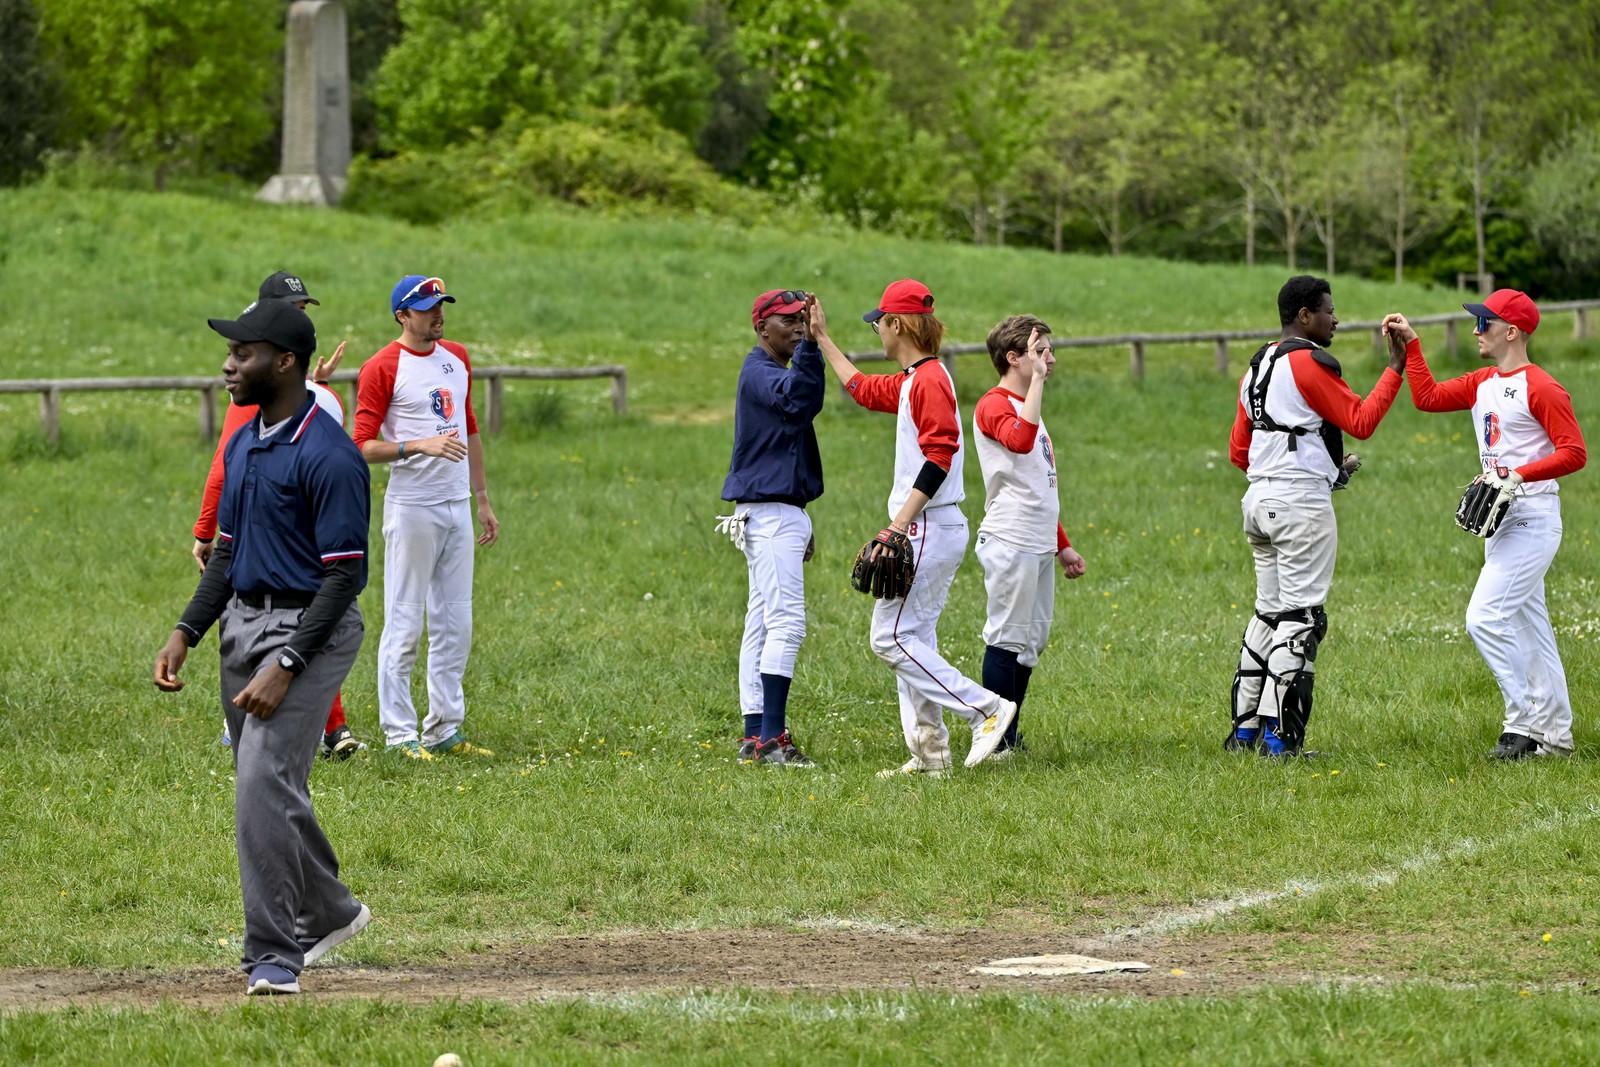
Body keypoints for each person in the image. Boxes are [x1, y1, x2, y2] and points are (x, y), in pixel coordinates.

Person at [153, 297, 372, 996]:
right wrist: (188, 629)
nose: (228, 365)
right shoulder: (245, 442)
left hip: (311, 631)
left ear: (284, 362)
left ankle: (276, 953)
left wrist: (288, 663)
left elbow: (344, 576)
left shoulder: (330, 455)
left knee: (261, 783)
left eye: (241, 353)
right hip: (242, 625)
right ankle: (331, 910)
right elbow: (226, 551)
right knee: (267, 787)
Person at [809, 281, 1017, 776]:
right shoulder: (915, 378)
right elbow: (863, 389)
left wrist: (897, 526)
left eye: (879, 323)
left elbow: (939, 453)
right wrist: (822, 338)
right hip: (930, 526)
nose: (878, 331)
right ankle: (931, 755)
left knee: (889, 639)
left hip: (927, 525)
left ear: (897, 324)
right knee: (913, 639)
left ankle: (986, 709)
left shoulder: (927, 381)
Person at [1383, 292, 1587, 758]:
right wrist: (1413, 345)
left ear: (1511, 332)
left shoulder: (1542, 387)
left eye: (1484, 323)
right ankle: (1556, 738)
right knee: (1531, 629)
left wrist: (1519, 474)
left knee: (1484, 618)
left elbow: (1574, 452)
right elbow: (1428, 398)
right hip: (1501, 520)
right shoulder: (1483, 382)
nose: (1476, 331)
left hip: (1533, 517)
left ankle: (1523, 723)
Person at [1227, 275, 1405, 757]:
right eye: (1329, 311)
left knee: (1269, 614)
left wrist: (1313, 469)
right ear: (1305, 316)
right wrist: (1395, 366)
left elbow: (1240, 451)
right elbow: (1361, 420)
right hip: (1298, 506)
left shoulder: (1257, 366)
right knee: (1302, 619)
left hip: (1258, 503)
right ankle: (1280, 741)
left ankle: (1244, 732)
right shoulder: (1308, 362)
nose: (1336, 320)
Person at [193, 272, 364, 759]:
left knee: (310, 622)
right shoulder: (254, 393)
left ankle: (329, 725)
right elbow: (227, 463)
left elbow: (342, 579)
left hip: (300, 581)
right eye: (291, 308)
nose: (299, 316)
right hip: (253, 555)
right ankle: (281, 722)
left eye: (303, 309)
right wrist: (207, 529)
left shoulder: (303, 403)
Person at [354, 276, 500, 760]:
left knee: (456, 622)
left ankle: (444, 729)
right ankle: (400, 734)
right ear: (402, 315)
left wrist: (482, 498)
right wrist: (418, 445)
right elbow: (361, 446)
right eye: (427, 308)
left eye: (441, 305)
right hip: (413, 507)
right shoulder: (382, 366)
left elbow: (470, 429)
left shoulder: (456, 356)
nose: (438, 315)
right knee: (404, 621)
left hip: (457, 504)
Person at [719, 289, 826, 768]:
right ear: (762, 328)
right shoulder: (760, 371)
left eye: (802, 319)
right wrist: (814, 347)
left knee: (762, 621)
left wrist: (799, 517)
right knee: (786, 622)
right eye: (787, 320)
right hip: (770, 515)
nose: (798, 327)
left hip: (775, 511)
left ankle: (754, 732)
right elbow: (800, 398)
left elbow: (798, 412)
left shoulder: (768, 371)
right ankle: (772, 740)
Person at [971, 315, 1086, 756]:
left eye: (1049, 352)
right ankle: (996, 741)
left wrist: (1062, 544)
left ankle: (1008, 734)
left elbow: (1039, 486)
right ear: (1013, 358)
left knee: (1031, 643)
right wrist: (1036, 382)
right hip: (1011, 538)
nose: (1049, 360)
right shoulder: (994, 404)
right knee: (1007, 637)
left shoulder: (1030, 404)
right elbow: (1018, 441)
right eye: (1040, 352)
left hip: (1038, 541)